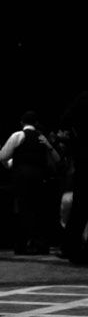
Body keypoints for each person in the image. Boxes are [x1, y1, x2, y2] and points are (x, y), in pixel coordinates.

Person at [0, 110, 61, 255]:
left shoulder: (18, 135)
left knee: (23, 209)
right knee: (39, 210)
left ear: (22, 123)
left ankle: (22, 245)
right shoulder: (42, 137)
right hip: (40, 178)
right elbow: (55, 159)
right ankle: (41, 244)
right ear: (36, 123)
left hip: (22, 178)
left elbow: (4, 156)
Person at [59, 91, 88, 264]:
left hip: (84, 157)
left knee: (80, 206)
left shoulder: (82, 99)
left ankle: (71, 247)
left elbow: (65, 120)